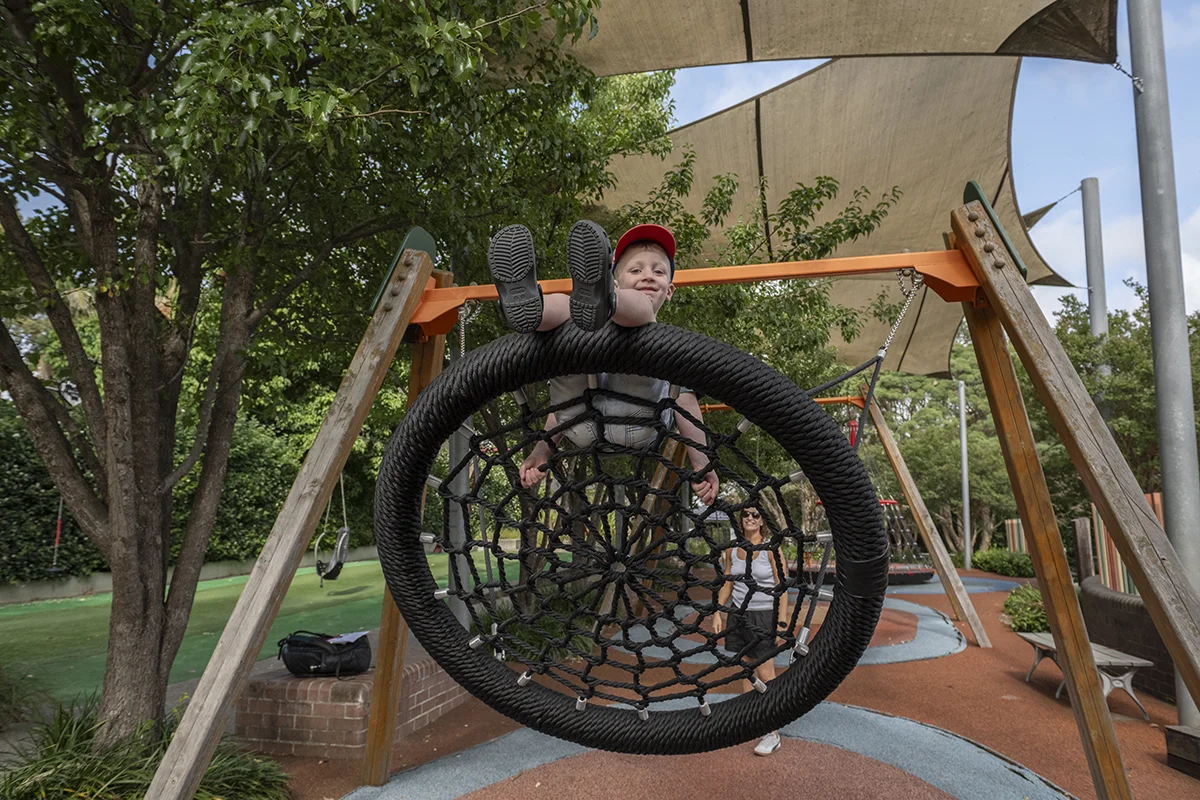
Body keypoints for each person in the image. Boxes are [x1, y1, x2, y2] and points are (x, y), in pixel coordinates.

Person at [487, 220, 718, 506]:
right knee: (568, 320)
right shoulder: (662, 347)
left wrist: (701, 462)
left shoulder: (662, 341)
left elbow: (683, 400)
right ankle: (531, 309)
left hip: (629, 418)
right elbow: (560, 406)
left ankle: (584, 305)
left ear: (669, 290)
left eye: (658, 271)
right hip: (582, 419)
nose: (648, 275)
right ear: (615, 281)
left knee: (639, 323)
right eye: (636, 270)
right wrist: (541, 452)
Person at [712, 501, 790, 756]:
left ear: (762, 520)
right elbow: (728, 583)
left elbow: (782, 586)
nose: (749, 518)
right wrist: (718, 611)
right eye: (745, 514)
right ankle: (748, 721)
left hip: (764, 615)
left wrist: (781, 621)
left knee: (766, 673)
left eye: (755, 515)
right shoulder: (733, 550)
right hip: (739, 616)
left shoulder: (771, 550)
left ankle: (773, 731)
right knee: (746, 670)